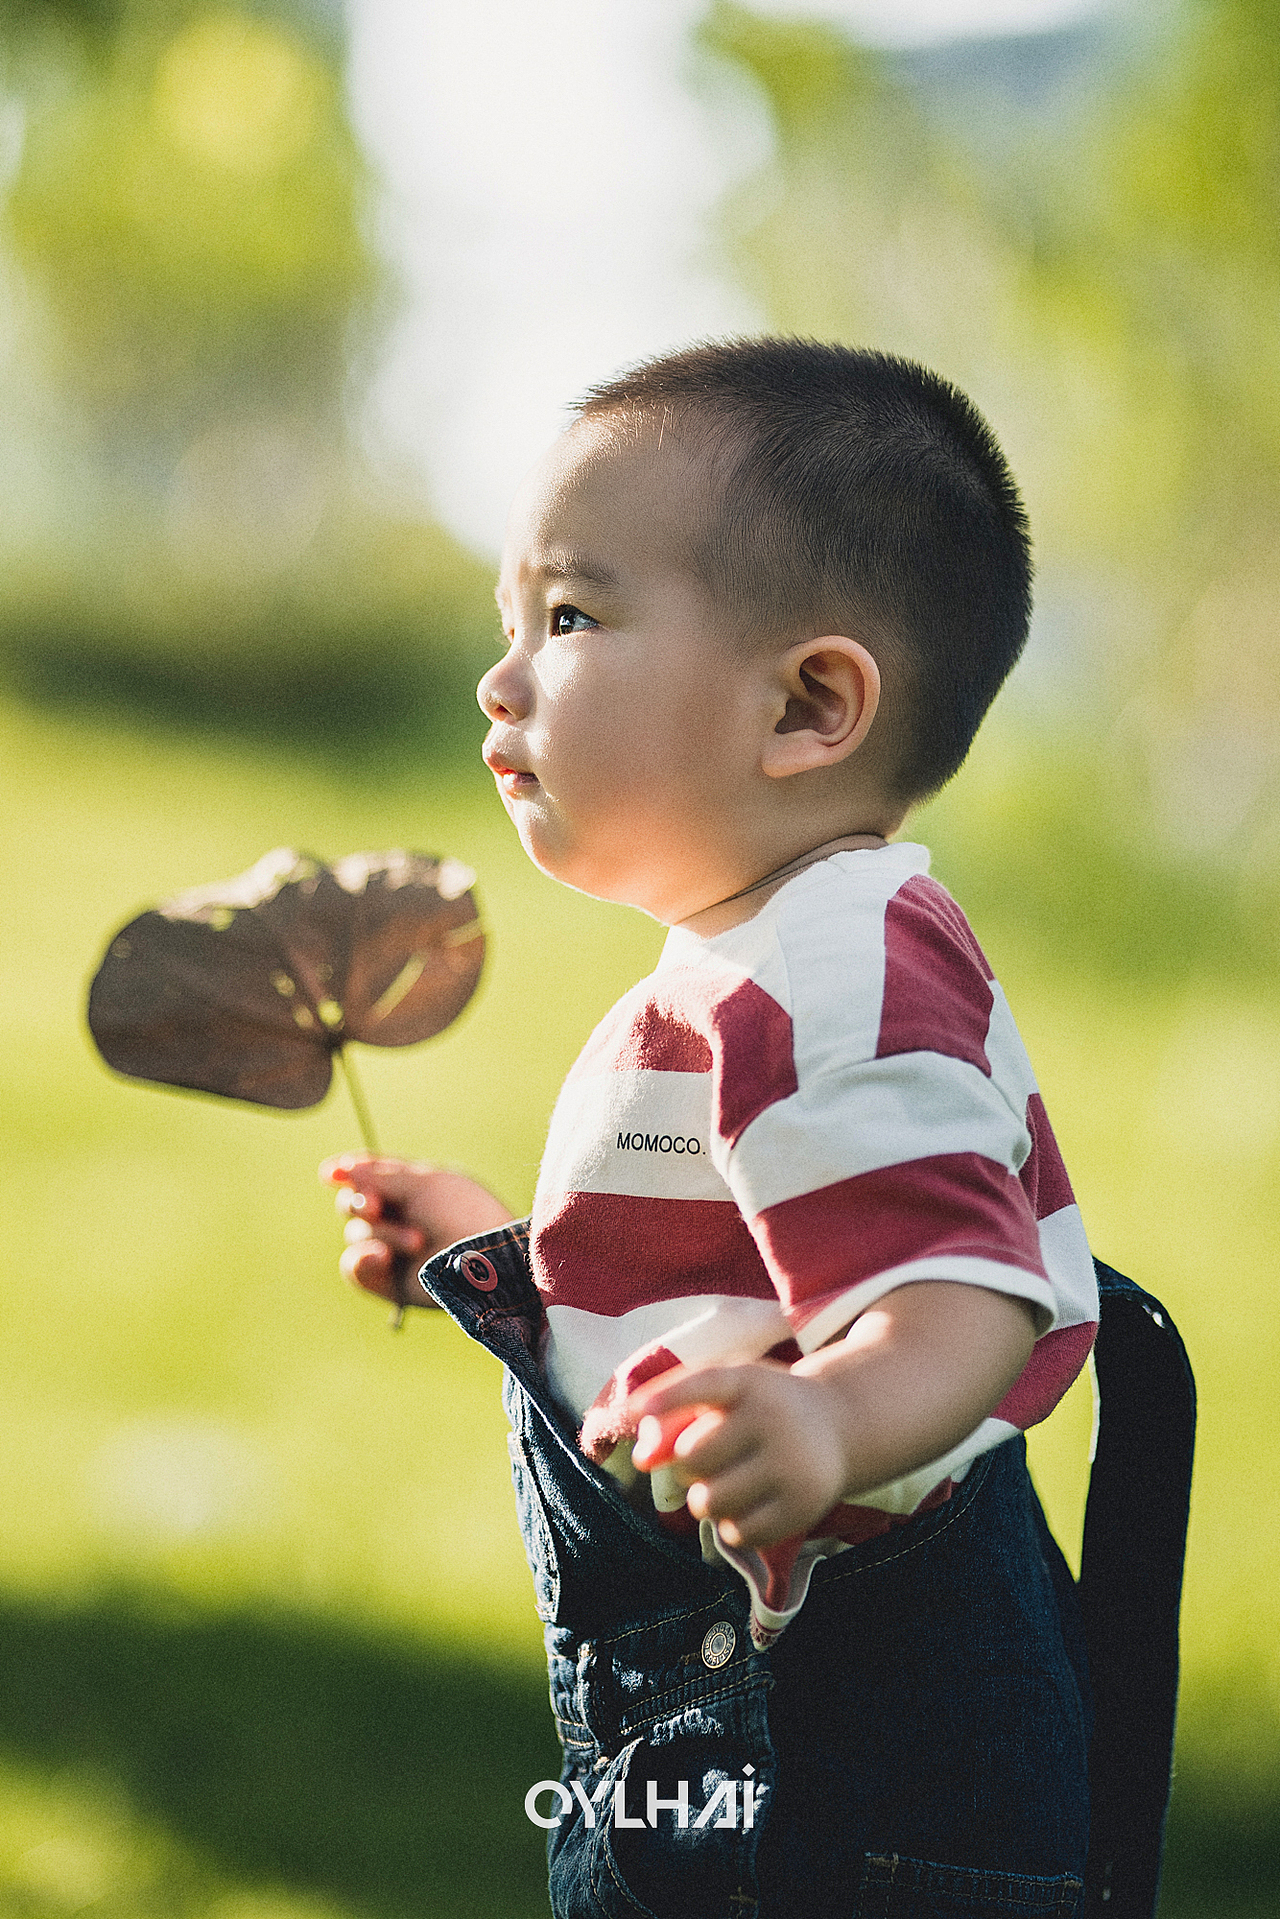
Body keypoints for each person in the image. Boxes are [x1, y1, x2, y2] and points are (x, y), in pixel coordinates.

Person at [322, 340, 1097, 1918]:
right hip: (746, 1717)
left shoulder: (835, 965)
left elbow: (958, 1294)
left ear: (809, 705)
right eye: (510, 624)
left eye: (569, 618)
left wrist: (829, 1423)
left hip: (836, 1757)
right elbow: (718, 1291)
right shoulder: (763, 959)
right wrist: (494, 1258)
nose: (502, 678)